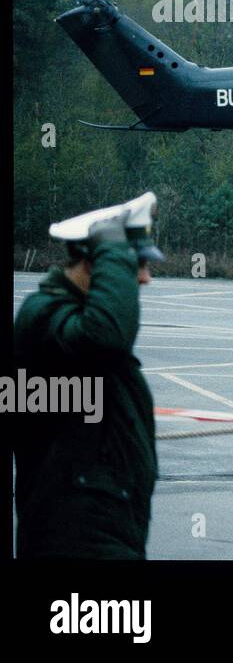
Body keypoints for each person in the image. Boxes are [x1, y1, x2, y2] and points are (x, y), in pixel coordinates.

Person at [11, 192, 163, 558]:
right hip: (76, 537)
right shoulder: (44, 318)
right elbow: (108, 336)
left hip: (103, 528)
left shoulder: (65, 323)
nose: (145, 278)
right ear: (97, 263)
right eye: (136, 264)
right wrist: (114, 250)